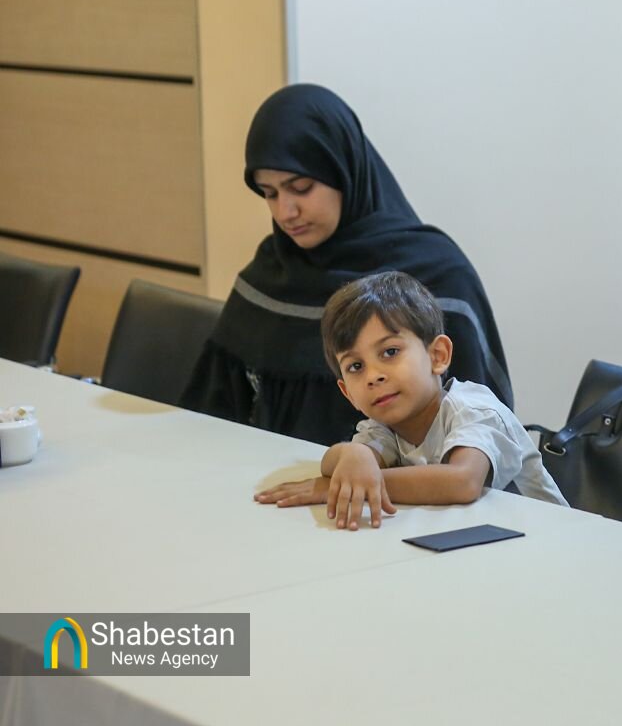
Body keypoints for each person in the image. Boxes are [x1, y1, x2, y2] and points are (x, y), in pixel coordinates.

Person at [182, 84, 512, 446]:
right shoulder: (270, 274)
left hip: (407, 481)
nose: (285, 212)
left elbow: (482, 436)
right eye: (270, 193)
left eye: (301, 187)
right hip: (267, 475)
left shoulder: (436, 277)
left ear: (343, 171)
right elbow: (211, 416)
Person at [253, 271, 566, 529]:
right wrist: (353, 455)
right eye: (356, 366)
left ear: (437, 355)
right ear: (347, 392)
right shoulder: (384, 427)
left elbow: (462, 482)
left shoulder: (474, 410)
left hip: (547, 541)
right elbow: (333, 463)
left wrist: (361, 482)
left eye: (390, 352)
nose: (373, 376)